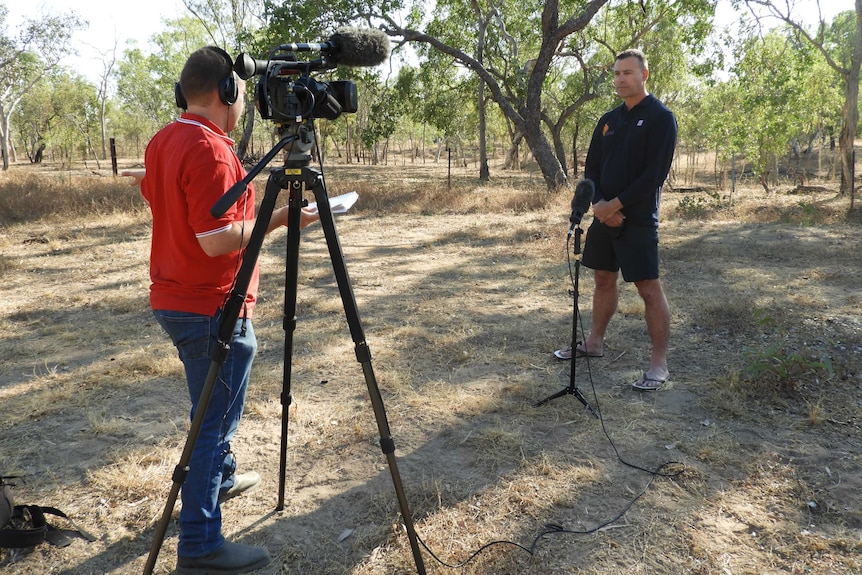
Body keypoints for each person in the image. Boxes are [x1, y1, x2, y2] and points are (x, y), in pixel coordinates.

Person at [134, 46, 318, 574]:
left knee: (212, 412)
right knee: (210, 422)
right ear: (228, 92)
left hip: (177, 299)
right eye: (241, 93)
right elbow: (215, 241)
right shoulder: (210, 149)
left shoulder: (165, 139)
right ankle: (199, 546)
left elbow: (164, 198)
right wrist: (281, 218)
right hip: (210, 305)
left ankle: (217, 477)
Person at [554, 49, 677, 392]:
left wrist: (616, 205)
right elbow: (592, 168)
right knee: (603, 280)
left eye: (627, 72)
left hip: (637, 219)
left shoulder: (661, 118)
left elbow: (653, 174)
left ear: (644, 75)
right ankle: (594, 343)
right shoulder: (608, 119)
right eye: (617, 73)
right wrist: (599, 204)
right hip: (603, 216)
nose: (620, 79)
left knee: (648, 289)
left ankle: (658, 364)